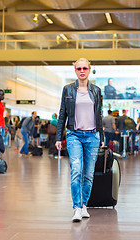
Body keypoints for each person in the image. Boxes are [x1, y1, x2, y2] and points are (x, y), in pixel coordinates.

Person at [55, 58, 104, 222]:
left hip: (92, 136)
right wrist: (58, 137)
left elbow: (99, 116)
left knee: (89, 174)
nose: (82, 71)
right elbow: (62, 114)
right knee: (76, 170)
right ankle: (77, 207)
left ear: (89, 70)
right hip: (73, 135)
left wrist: (101, 136)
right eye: (78, 68)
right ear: (75, 71)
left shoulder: (96, 91)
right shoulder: (68, 90)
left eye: (85, 68)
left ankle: (84, 206)